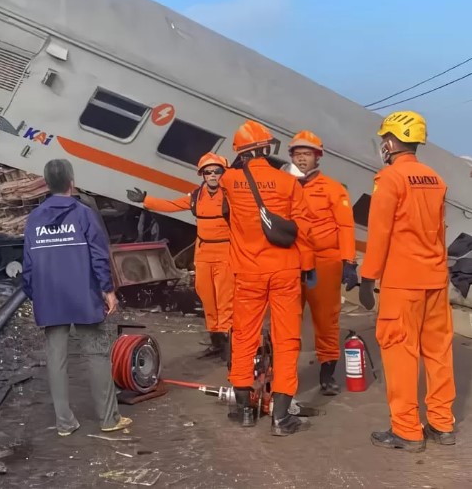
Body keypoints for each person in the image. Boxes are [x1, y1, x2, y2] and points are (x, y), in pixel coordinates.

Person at [359, 111, 456, 452]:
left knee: (401, 354)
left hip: (403, 283)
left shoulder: (389, 178)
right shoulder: (435, 179)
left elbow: (380, 234)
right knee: (439, 353)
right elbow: (439, 233)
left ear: (390, 141)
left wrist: (367, 279)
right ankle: (442, 425)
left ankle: (407, 431)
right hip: (435, 280)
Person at [22, 158, 132, 437]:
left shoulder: (34, 219)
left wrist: (35, 295)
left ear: (46, 184)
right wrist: (108, 291)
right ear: (72, 182)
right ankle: (109, 419)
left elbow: (29, 264)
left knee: (56, 359)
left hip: (51, 299)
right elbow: (98, 257)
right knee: (96, 355)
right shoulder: (84, 214)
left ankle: (64, 423)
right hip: (83, 296)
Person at [220, 120, 315, 436]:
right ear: (265, 149)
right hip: (284, 272)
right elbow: (304, 231)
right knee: (287, 340)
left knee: (244, 337)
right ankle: (281, 417)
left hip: (248, 272)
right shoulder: (288, 183)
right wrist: (308, 266)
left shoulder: (230, 180)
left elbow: (224, 211)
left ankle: (245, 412)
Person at [126, 152, 233, 360]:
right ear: (202, 175)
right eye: (208, 172)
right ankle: (217, 341)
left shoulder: (231, 197)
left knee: (225, 300)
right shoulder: (196, 196)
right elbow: (173, 205)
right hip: (203, 255)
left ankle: (230, 346)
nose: (212, 175)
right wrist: (146, 200)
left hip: (225, 254)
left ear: (223, 173)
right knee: (207, 298)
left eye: (217, 171)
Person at [287, 131, 358, 395]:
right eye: (297, 154)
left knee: (326, 319)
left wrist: (348, 261)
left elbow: (346, 226)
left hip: (324, 262)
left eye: (307, 154)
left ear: (318, 157)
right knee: (286, 319)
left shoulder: (333, 188)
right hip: (291, 260)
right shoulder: (285, 184)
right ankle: (284, 375)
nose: (302, 159)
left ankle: (327, 374)